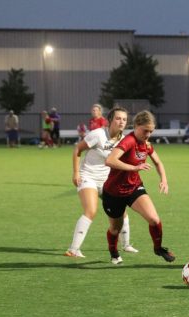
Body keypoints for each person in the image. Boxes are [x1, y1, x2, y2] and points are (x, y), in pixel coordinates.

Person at [102, 110, 175, 265]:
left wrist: (164, 180)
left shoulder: (146, 144)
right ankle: (114, 252)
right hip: (113, 192)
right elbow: (110, 160)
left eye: (151, 131)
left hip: (134, 188)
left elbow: (158, 162)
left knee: (154, 219)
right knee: (115, 229)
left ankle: (158, 248)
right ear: (135, 126)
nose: (148, 134)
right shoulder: (128, 141)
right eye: (145, 131)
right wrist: (133, 168)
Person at [65, 107, 138, 258]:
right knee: (91, 211)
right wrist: (76, 172)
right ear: (110, 120)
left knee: (121, 211)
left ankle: (126, 245)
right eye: (118, 118)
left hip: (108, 182)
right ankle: (73, 249)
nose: (121, 122)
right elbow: (77, 149)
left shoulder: (124, 140)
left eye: (124, 119)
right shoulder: (98, 134)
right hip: (88, 177)